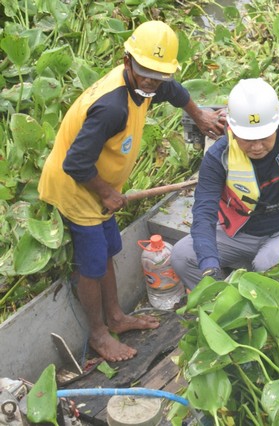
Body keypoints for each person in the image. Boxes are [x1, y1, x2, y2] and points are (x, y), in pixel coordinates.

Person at [37, 20, 226, 362]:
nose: (151, 80)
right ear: (128, 62)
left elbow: (175, 92)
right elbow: (76, 163)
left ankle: (117, 317)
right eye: (144, 71)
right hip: (78, 189)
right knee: (92, 265)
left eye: (159, 74)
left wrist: (199, 116)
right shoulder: (112, 106)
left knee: (110, 247)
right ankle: (98, 334)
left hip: (98, 185)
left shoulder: (150, 84)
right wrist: (106, 192)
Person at [171, 78, 279, 289]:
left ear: (277, 123)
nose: (256, 146)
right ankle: (225, 302)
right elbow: (203, 213)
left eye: (263, 136)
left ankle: (259, 283)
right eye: (247, 138)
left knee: (267, 265)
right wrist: (209, 264)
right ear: (232, 130)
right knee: (182, 256)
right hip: (240, 232)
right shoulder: (219, 156)